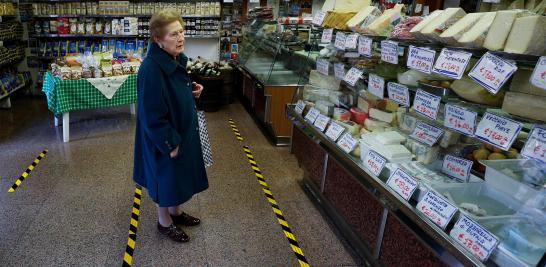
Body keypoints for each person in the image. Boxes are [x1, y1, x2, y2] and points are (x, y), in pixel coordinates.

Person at [133, 8, 209, 243]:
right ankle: (164, 222)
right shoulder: (151, 69)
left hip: (180, 130)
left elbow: (172, 91)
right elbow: (151, 114)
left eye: (182, 31)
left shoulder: (173, 59)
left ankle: (175, 212)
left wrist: (191, 91)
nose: (181, 37)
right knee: (164, 177)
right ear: (157, 39)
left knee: (177, 174)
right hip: (164, 136)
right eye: (173, 34)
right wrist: (169, 142)